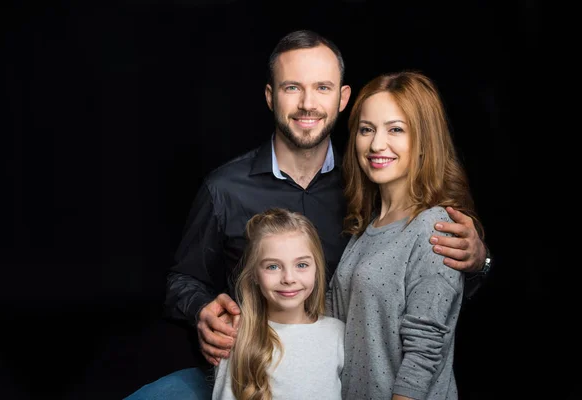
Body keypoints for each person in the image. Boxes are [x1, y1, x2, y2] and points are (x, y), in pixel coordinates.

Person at [124, 29, 490, 399]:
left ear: (343, 98)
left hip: (338, 378)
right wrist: (202, 309)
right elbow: (183, 280)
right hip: (253, 368)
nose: (307, 104)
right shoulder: (225, 188)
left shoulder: (367, 186)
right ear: (270, 96)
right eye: (292, 88)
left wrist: (479, 262)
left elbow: (425, 293)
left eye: (322, 88)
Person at [327, 70, 484, 400]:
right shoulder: (367, 229)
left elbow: (421, 359)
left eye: (395, 129)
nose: (376, 144)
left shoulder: (435, 227)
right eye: (366, 129)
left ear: (424, 141)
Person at [211, 207, 344, 400]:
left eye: (302, 265)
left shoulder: (338, 333)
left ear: (317, 268)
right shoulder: (237, 335)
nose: (289, 278)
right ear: (255, 275)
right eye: (273, 266)